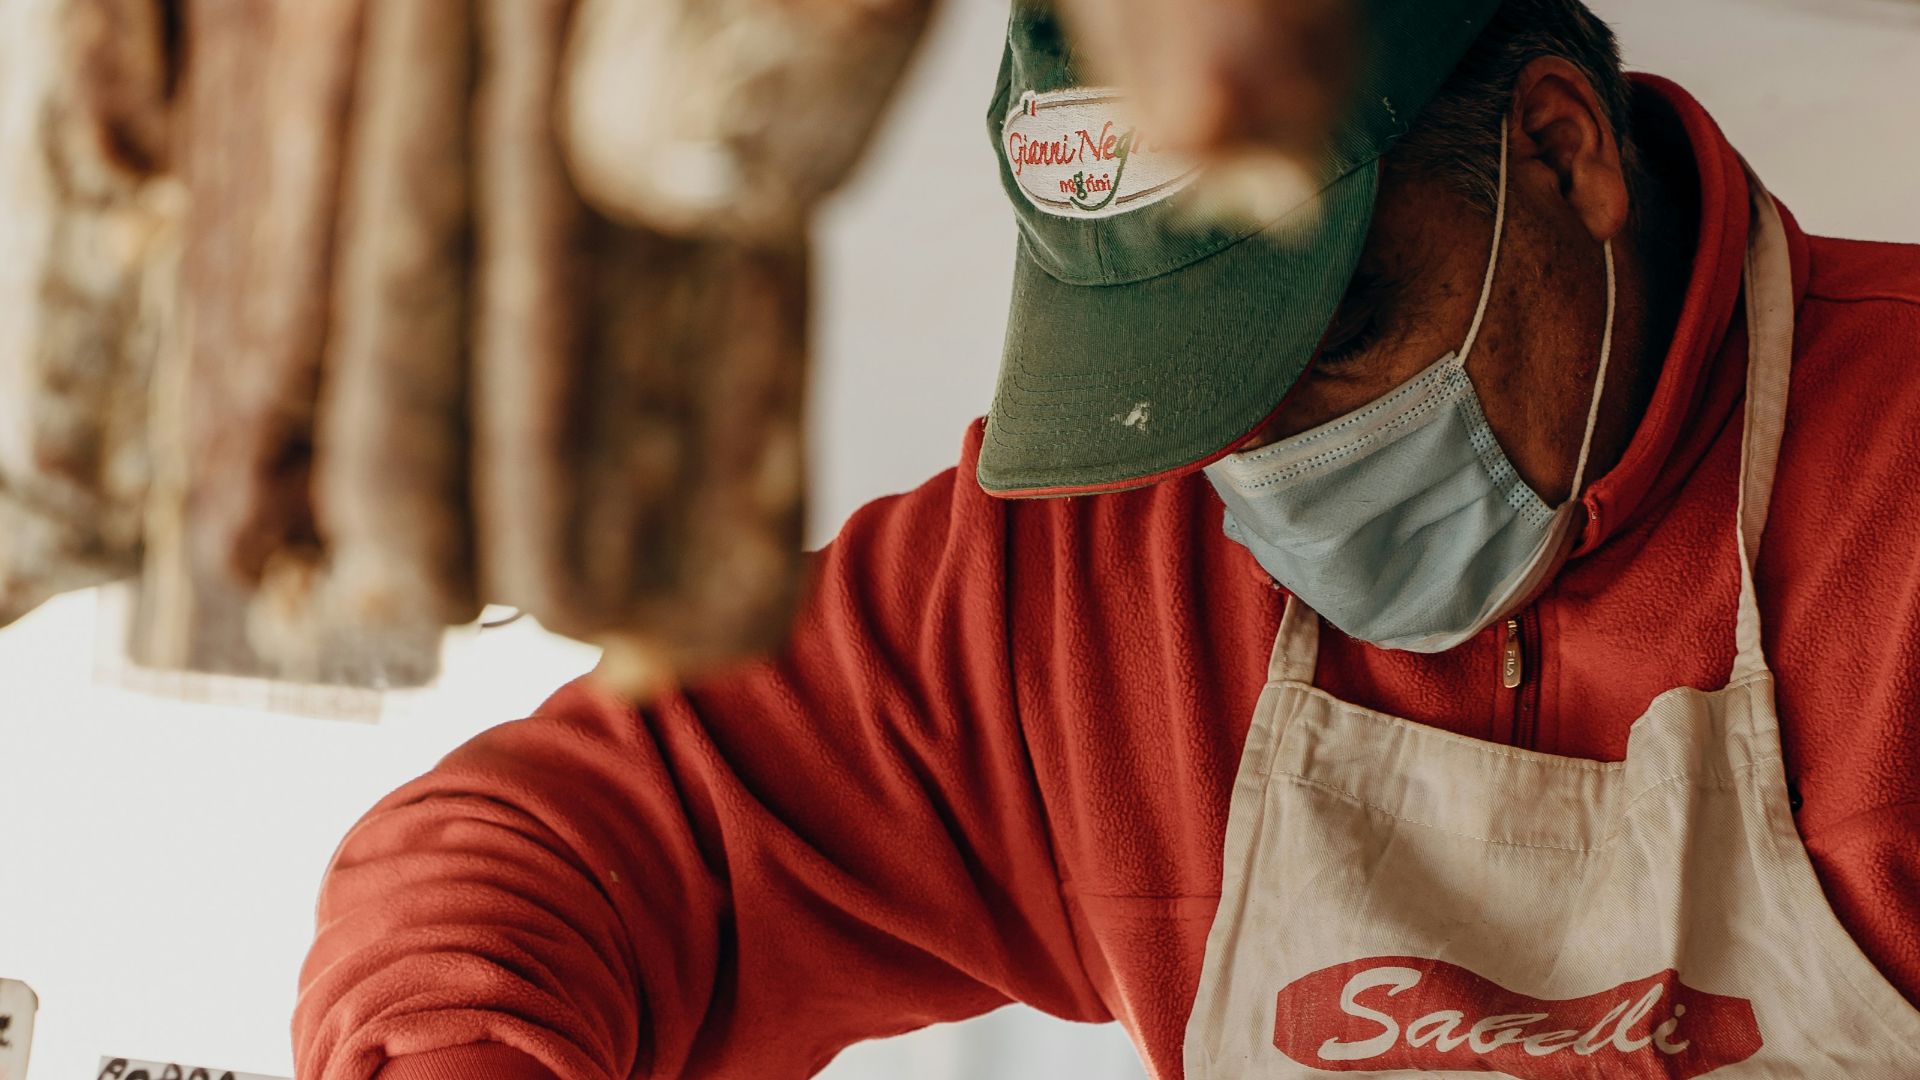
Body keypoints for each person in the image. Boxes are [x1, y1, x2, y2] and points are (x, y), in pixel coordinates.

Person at [293, 0, 1920, 1076]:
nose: (1259, 464)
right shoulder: (1092, 568)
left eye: (1326, 344)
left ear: (1559, 155)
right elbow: (572, 836)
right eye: (1193, 390)